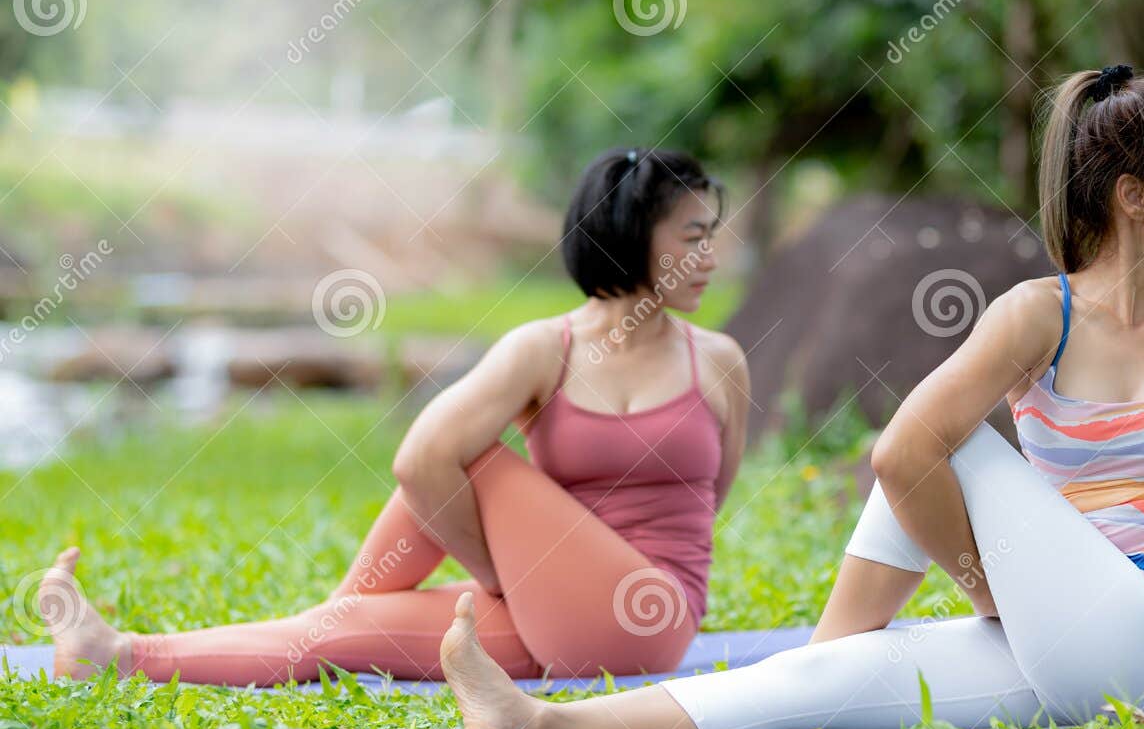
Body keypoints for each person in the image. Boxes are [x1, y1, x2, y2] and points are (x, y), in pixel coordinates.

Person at [432, 65, 1144, 729]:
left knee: (943, 440)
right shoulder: (1038, 316)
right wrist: (1008, 595)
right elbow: (907, 459)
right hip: (1063, 647)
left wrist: (986, 591)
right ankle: (538, 728)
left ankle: (845, 633)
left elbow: (907, 451)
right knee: (820, 680)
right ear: (1133, 195)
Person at [41, 146, 751, 685]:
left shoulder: (717, 361)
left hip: (645, 617)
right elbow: (420, 467)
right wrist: (521, 581)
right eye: (692, 237)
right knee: (340, 634)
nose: (710, 255)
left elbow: (707, 503)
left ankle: (343, 600)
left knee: (463, 452)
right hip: (553, 611)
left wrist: (505, 575)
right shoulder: (545, 350)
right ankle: (113, 653)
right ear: (630, 235)